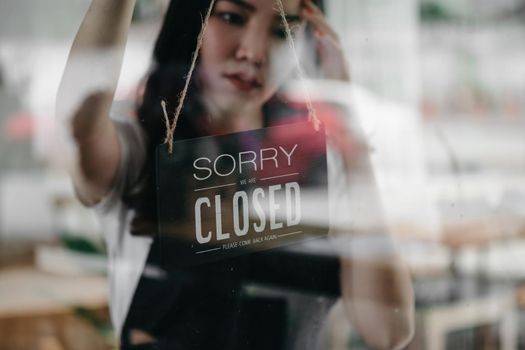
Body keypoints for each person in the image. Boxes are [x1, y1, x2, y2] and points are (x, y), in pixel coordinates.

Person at [57, 0, 414, 349]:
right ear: (191, 19)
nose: (254, 51)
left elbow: (389, 332)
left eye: (282, 31)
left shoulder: (317, 161)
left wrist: (351, 140)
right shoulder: (140, 149)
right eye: (231, 17)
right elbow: (78, 124)